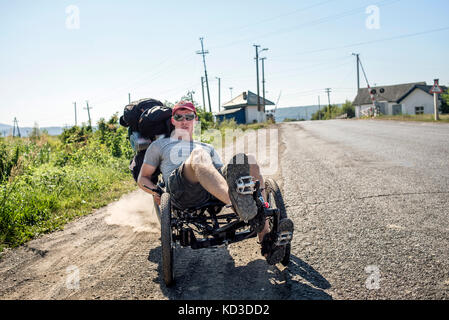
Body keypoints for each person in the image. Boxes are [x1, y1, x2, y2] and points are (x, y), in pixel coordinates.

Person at [137, 101, 293, 265]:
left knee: (249, 160)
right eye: (179, 116)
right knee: (198, 155)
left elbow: (218, 172)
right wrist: (157, 192)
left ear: (195, 120)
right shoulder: (160, 145)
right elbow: (143, 178)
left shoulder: (206, 146)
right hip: (182, 190)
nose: (184, 120)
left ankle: (267, 240)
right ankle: (240, 206)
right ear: (173, 121)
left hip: (213, 192)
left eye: (189, 116)